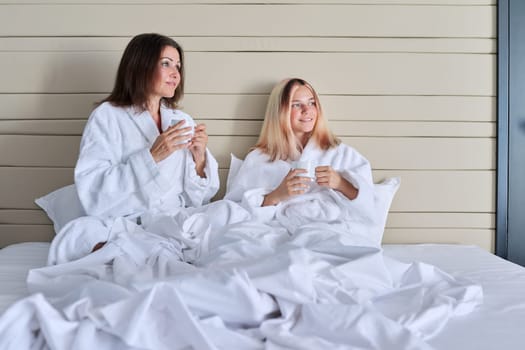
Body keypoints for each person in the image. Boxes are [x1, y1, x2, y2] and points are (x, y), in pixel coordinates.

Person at [75, 33, 220, 223]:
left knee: (229, 213)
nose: (176, 74)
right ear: (141, 66)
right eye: (166, 63)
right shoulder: (107, 116)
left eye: (178, 66)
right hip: (130, 222)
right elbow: (93, 192)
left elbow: (200, 199)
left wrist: (199, 158)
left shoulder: (181, 120)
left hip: (176, 219)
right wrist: (152, 157)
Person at [225, 78, 376, 232]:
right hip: (276, 236)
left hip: (329, 233)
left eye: (312, 103)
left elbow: (369, 209)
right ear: (280, 112)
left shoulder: (341, 154)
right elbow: (236, 215)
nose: (307, 110)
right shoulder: (258, 159)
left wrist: (341, 184)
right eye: (297, 105)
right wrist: (276, 195)